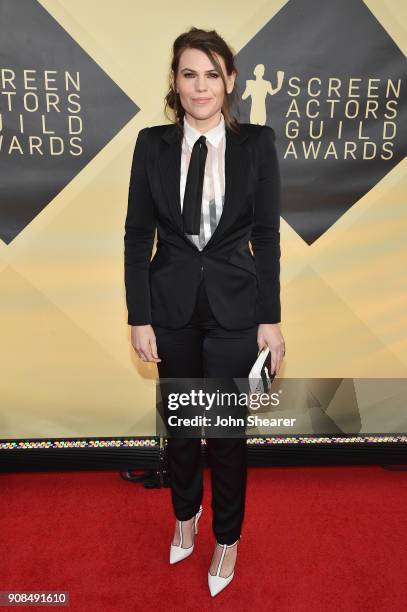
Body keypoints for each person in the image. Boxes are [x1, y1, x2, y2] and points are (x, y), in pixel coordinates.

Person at [124, 27, 285, 597]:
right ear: (175, 81)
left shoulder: (257, 144)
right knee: (183, 427)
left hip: (235, 310)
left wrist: (272, 317)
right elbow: (137, 233)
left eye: (212, 74)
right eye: (189, 74)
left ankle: (227, 538)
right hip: (170, 309)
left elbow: (266, 236)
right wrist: (139, 316)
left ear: (231, 81)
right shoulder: (151, 145)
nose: (200, 86)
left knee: (227, 433)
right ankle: (185, 514)